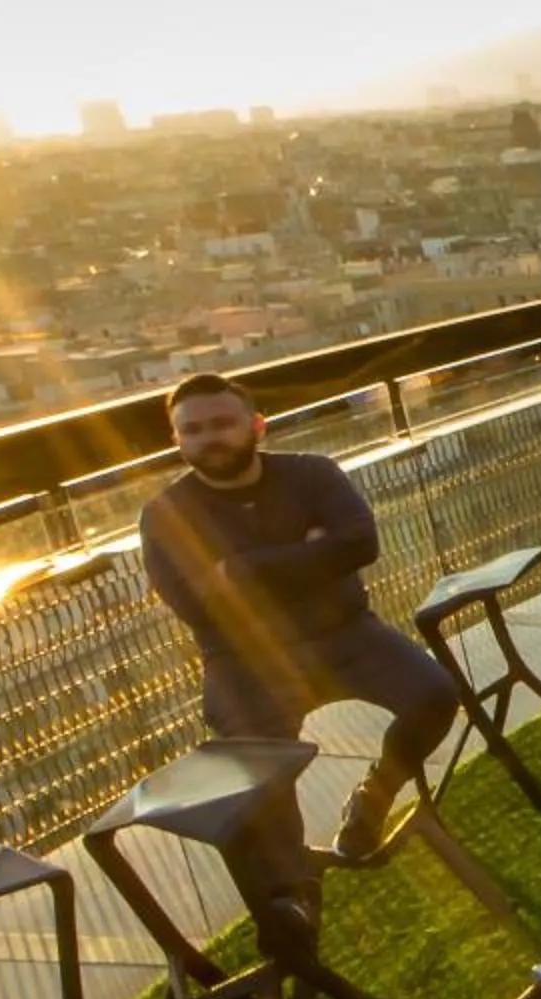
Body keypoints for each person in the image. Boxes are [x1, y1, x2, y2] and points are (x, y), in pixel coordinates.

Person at [138, 374, 466, 908]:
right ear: (177, 441)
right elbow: (196, 607)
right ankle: (295, 902)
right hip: (244, 663)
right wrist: (312, 555)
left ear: (256, 425)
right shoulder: (164, 515)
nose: (209, 438)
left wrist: (240, 570)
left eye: (222, 423)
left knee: (434, 694)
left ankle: (374, 796)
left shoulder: (311, 473)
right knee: (263, 786)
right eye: (192, 430)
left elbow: (360, 542)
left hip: (346, 634)